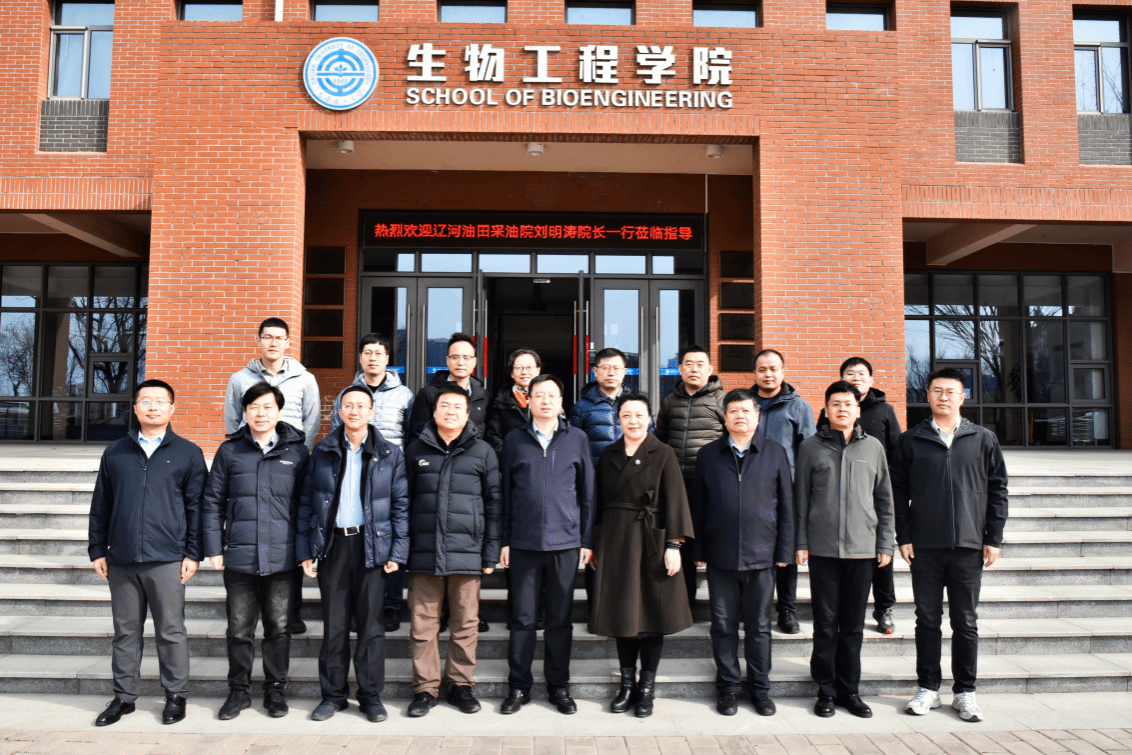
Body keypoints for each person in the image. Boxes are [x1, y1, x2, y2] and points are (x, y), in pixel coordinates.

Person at [88, 379, 207, 727]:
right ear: (135, 407)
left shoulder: (187, 452)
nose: (153, 407)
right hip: (122, 558)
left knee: (171, 630)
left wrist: (193, 553)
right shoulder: (116, 452)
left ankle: (176, 696)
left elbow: (197, 508)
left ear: (172, 408)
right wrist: (97, 549)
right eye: (146, 401)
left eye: (160, 401)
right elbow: (101, 504)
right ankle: (124, 698)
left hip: (168, 558)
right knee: (125, 632)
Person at [893, 367, 1008, 723]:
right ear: (927, 395)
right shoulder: (910, 440)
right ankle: (928, 688)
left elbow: (998, 490)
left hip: (969, 545)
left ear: (963, 396)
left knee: (965, 622)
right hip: (925, 547)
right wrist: (904, 536)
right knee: (927, 620)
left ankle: (965, 692)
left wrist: (993, 537)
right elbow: (897, 493)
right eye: (937, 391)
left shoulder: (983, 438)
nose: (943, 397)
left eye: (950, 391)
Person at [297, 386, 409, 723]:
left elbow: (401, 506)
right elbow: (306, 501)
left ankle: (371, 697)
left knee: (371, 627)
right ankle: (333, 696)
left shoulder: (390, 453)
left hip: (372, 547)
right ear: (340, 411)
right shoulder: (323, 450)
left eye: (362, 406)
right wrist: (306, 549)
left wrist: (397, 551)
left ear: (372, 412)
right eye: (348, 405)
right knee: (334, 626)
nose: (355, 411)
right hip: (333, 546)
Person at [203, 382, 310, 720]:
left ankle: (275, 690)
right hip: (240, 555)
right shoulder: (229, 451)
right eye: (254, 407)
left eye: (267, 407)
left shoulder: (297, 453)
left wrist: (304, 550)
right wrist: (214, 546)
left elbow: (305, 506)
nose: (260, 413)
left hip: (283, 557)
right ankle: (239, 691)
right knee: (239, 629)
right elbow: (213, 502)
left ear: (279, 411)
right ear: (245, 412)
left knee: (279, 627)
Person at [589, 391, 694, 718]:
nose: (633, 421)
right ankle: (626, 684)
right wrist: (595, 542)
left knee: (651, 616)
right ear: (618, 419)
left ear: (649, 419)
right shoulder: (608, 453)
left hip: (652, 541)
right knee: (622, 614)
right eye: (626, 415)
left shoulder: (663, 452)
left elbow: (676, 499)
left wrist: (674, 545)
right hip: (616, 542)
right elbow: (597, 502)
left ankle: (646, 687)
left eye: (639, 415)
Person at [795, 381, 895, 719]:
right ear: (826, 409)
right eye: (836, 404)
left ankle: (850, 690)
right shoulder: (810, 447)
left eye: (848, 404)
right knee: (825, 624)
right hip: (822, 550)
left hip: (862, 550)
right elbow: (801, 499)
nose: (842, 409)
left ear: (858, 409)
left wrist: (885, 543)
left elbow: (885, 499)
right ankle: (825, 690)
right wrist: (801, 543)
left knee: (852, 626)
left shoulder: (874, 448)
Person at [691, 388, 792, 718]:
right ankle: (728, 688)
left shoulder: (774, 453)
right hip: (720, 558)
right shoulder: (709, 455)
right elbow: (698, 506)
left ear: (757, 417)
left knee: (759, 627)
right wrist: (698, 549)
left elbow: (787, 506)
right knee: (723, 626)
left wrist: (785, 549)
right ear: (724, 417)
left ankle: (760, 688)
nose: (740, 416)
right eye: (733, 411)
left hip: (762, 557)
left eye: (746, 411)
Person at [500, 374, 595, 715]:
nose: (545, 401)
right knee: (522, 619)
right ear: (528, 400)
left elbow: (587, 493)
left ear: (561, 402)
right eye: (538, 395)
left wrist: (586, 539)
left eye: (551, 395)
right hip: (523, 543)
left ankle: (559, 686)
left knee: (559, 620)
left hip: (565, 543)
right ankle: (518, 686)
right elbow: (505, 495)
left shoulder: (577, 438)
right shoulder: (514, 439)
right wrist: (505, 540)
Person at [403, 387, 502, 717]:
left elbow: (494, 505)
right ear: (433, 412)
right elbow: (403, 503)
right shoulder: (416, 450)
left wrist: (490, 554)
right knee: (423, 625)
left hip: (467, 551)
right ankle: (425, 688)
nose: (450, 411)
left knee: (465, 623)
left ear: (468, 413)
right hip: (423, 551)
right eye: (444, 405)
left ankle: (461, 685)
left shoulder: (483, 452)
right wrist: (403, 550)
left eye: (458, 406)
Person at [224, 316, 321, 636]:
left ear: (289, 342)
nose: (273, 343)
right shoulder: (240, 379)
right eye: (267, 337)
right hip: (250, 460)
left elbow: (312, 420)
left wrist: (296, 453)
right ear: (259, 340)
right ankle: (249, 613)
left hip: (290, 463)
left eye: (280, 338)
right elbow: (232, 420)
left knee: (291, 534)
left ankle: (291, 612)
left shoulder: (305, 379)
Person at [330, 333, 415, 633]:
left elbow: (410, 436)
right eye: (367, 352)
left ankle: (390, 605)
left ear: (387, 358)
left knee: (388, 538)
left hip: (389, 477)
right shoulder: (346, 394)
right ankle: (358, 606)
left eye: (379, 353)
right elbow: (335, 435)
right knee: (359, 543)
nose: (373, 358)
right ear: (361, 357)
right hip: (353, 474)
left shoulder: (404, 395)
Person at [816, 357, 902, 634]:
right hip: (839, 495)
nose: (856, 378)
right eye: (850, 373)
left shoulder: (885, 410)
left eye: (862, 374)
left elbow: (897, 451)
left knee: (882, 556)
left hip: (873, 492)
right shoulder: (831, 410)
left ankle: (884, 607)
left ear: (871, 380)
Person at [656, 344, 725, 611]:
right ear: (680, 368)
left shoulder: (722, 401)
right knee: (679, 542)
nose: (694, 369)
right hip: (677, 485)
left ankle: (722, 607)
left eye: (700, 364)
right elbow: (662, 438)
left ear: (710, 369)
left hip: (710, 486)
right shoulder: (669, 401)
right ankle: (684, 605)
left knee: (711, 542)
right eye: (689, 364)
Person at [749, 348, 814, 635]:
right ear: (754, 373)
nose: (768, 374)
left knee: (785, 551)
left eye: (773, 369)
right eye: (762, 369)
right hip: (749, 491)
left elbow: (808, 453)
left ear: (783, 372)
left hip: (785, 492)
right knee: (753, 550)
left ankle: (786, 608)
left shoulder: (798, 407)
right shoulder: (745, 403)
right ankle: (756, 606)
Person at [407, 332, 491, 443]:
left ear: (474, 362)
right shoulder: (428, 394)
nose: (460, 363)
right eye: (455, 357)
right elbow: (417, 435)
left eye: (466, 357)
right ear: (447, 360)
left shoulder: (484, 396)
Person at [485, 348, 541, 455]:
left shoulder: (549, 397)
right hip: (513, 460)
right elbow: (494, 438)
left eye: (529, 367)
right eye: (519, 368)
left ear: (538, 370)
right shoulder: (501, 401)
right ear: (511, 373)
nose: (524, 372)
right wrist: (508, 460)